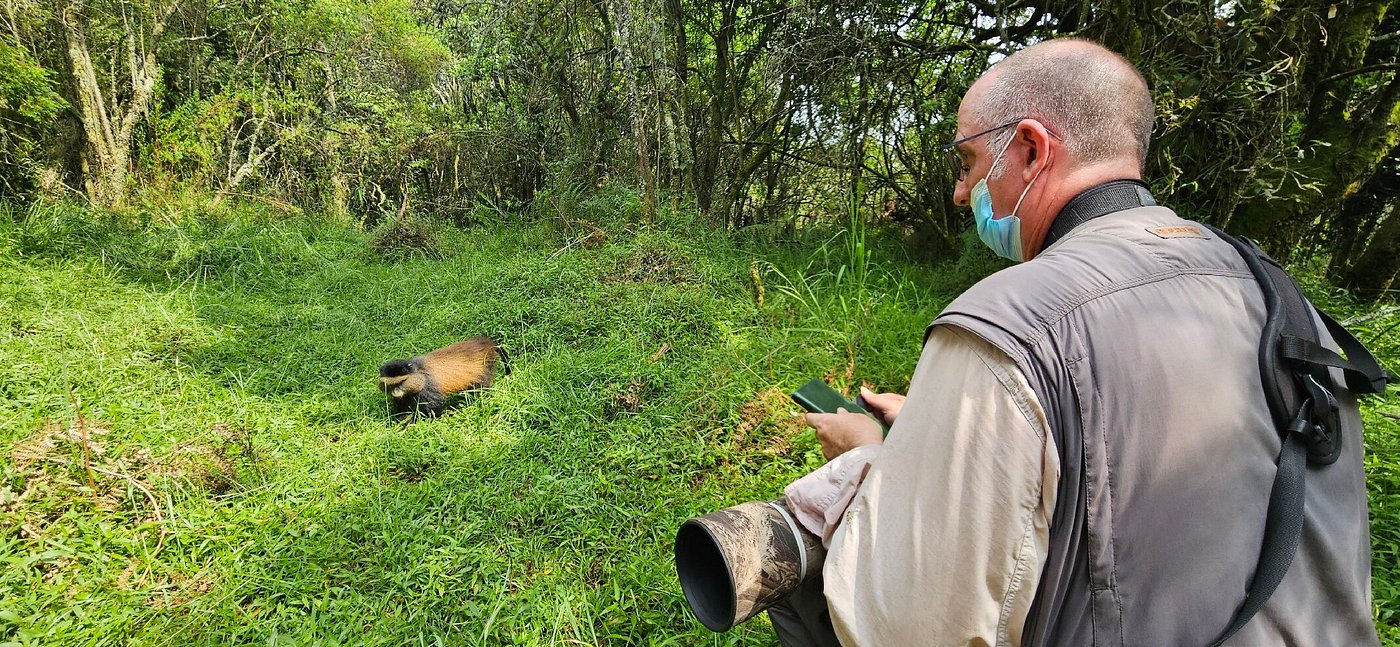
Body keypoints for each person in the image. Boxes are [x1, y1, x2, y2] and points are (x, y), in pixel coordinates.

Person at [768, 38, 1380, 646]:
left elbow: (913, 628)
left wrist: (870, 460)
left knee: (804, 592)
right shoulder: (1278, 293)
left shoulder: (1012, 319)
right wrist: (940, 425)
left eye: (969, 164)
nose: (960, 193)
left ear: (1030, 150)